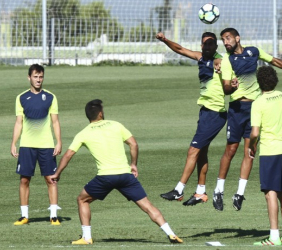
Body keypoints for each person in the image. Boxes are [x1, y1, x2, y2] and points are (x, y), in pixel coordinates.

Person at [49, 99, 183, 245]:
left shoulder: (83, 133)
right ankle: (171, 234)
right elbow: (133, 144)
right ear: (100, 113)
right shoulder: (115, 125)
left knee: (82, 199)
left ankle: (87, 238)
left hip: (105, 177)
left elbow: (68, 155)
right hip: (125, 175)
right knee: (147, 206)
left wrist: (57, 173)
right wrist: (133, 164)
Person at [212, 27, 282, 211]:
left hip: (254, 108)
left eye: (228, 38)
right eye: (223, 39)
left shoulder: (253, 51)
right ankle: (219, 189)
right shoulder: (226, 60)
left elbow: (274, 61)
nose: (226, 42)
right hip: (237, 109)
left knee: (250, 150)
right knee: (230, 150)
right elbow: (225, 89)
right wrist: (231, 86)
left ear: (238, 38)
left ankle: (239, 193)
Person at [156, 32, 232, 206]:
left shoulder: (220, 60)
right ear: (201, 46)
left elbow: (221, 64)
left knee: (193, 151)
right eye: (205, 44)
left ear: (216, 47)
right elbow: (180, 49)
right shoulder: (199, 57)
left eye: (211, 44)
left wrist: (221, 67)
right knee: (201, 153)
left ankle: (178, 190)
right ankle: (200, 192)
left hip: (215, 113)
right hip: (205, 112)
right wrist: (165, 40)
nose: (208, 47)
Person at [249, 66, 282, 246]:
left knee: (270, 193)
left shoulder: (258, 102)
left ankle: (273, 236)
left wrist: (251, 146)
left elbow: (255, 132)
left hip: (269, 150)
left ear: (259, 83)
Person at [11, 64, 62, 226]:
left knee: (51, 180)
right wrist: (14, 143)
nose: (38, 80)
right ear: (29, 78)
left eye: (41, 77)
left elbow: (55, 122)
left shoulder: (51, 97)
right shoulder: (21, 98)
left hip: (46, 145)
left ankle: (53, 215)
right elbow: (18, 123)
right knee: (24, 180)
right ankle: (24, 216)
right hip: (27, 145)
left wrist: (58, 141)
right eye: (35, 77)